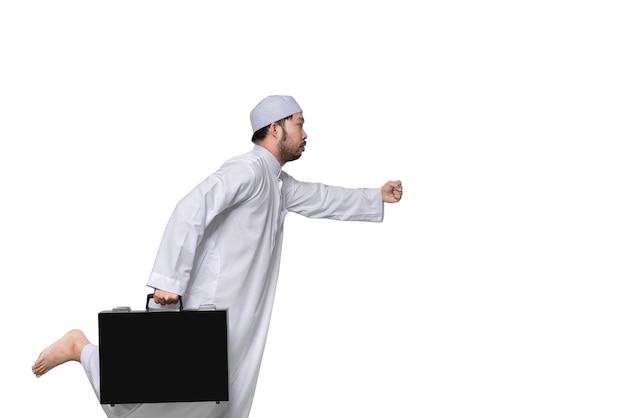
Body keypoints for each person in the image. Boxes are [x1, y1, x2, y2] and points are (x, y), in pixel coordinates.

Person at [32, 95, 403, 418]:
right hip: (208, 307)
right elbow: (193, 207)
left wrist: (375, 196)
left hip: (240, 315)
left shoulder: (277, 183)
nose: (306, 134)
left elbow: (323, 198)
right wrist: (169, 279)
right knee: (148, 394)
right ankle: (80, 348)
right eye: (300, 124)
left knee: (217, 400)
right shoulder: (248, 169)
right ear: (275, 128)